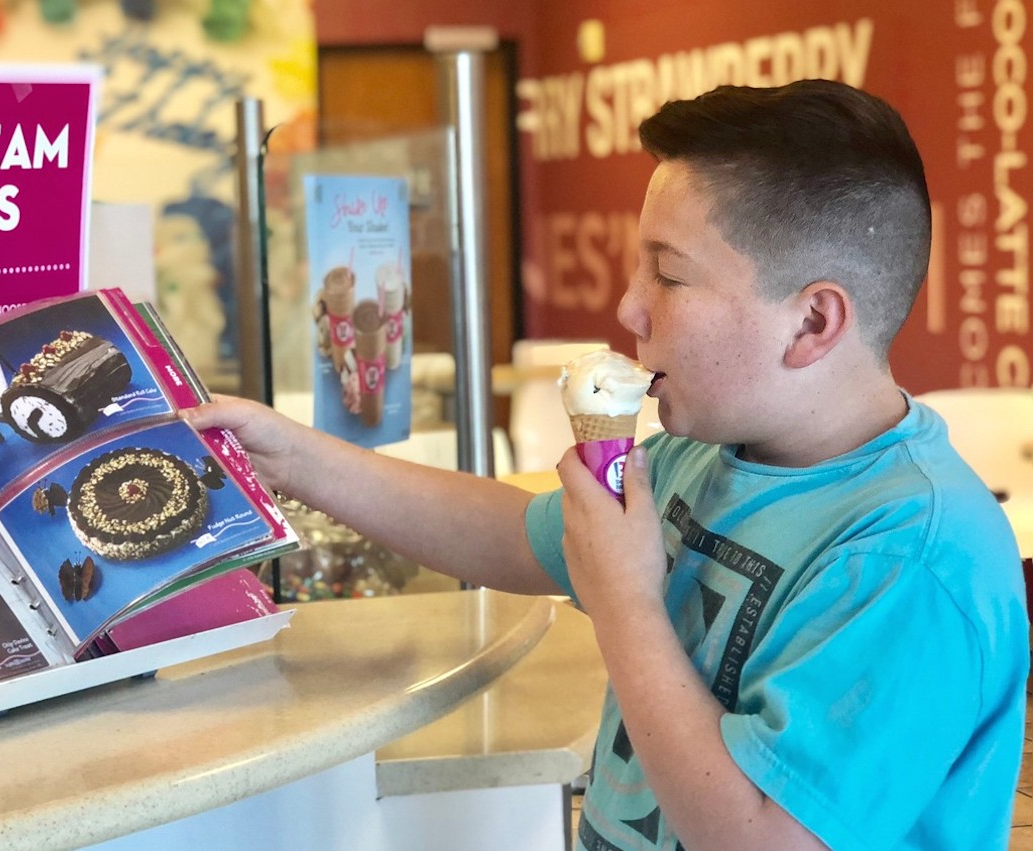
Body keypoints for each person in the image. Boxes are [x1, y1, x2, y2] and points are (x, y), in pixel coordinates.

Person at [182, 79, 1029, 850]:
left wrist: (625, 600)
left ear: (812, 322)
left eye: (667, 274)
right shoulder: (707, 451)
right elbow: (511, 531)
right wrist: (292, 456)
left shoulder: (917, 555)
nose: (627, 306)